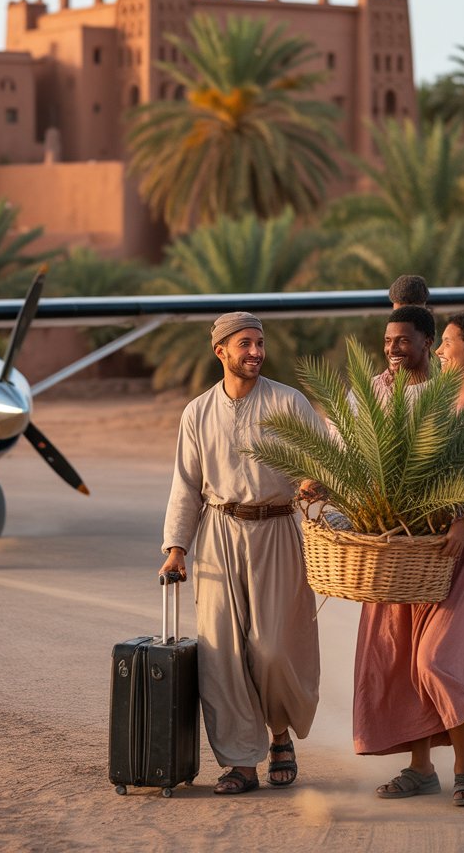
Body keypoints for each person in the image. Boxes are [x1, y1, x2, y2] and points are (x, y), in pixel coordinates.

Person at [352, 311, 464, 807]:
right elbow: (390, 459)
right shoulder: (424, 401)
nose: (440, 350)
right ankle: (421, 768)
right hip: (417, 548)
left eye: (447, 342)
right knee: (405, 654)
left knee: (439, 658)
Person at [159, 312, 322, 794]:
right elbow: (186, 485)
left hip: (276, 534)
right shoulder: (197, 413)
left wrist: (316, 483)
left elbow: (320, 460)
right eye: (245, 344)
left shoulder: (288, 402)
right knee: (224, 655)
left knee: (272, 650)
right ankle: (240, 762)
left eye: (260, 343)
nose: (255, 352)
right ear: (221, 352)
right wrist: (176, 548)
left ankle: (279, 735)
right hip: (217, 537)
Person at [367, 305, 436, 404]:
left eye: (403, 341)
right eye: (388, 341)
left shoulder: (444, 392)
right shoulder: (369, 389)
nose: (392, 349)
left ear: (427, 343)